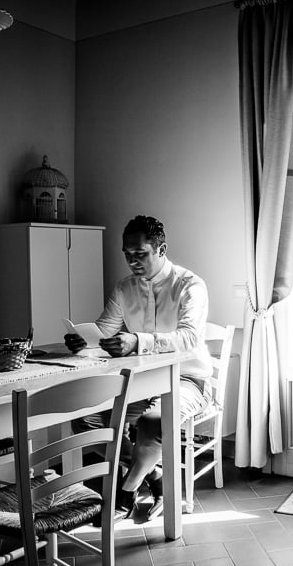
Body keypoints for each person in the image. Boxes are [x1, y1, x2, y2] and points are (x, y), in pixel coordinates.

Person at [65, 215, 212, 521]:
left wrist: (138, 341)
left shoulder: (190, 286)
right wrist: (85, 340)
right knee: (84, 420)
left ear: (161, 249)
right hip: (138, 382)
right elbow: (105, 330)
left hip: (187, 379)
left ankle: (126, 491)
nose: (132, 261)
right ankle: (155, 473)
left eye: (140, 254)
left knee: (152, 423)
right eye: (127, 255)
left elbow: (189, 337)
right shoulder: (124, 288)